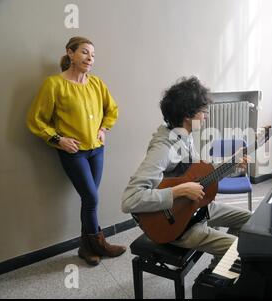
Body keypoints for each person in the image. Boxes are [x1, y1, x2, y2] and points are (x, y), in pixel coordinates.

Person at [121, 76, 252, 269]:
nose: (205, 116)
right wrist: (178, 191)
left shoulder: (185, 137)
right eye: (203, 111)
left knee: (250, 220)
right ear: (188, 116)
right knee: (237, 248)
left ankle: (218, 268)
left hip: (195, 208)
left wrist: (233, 164)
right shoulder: (163, 148)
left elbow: (200, 177)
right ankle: (219, 274)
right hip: (176, 225)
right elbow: (129, 199)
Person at [27, 36, 126, 266]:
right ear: (70, 54)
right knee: (91, 197)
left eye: (92, 55)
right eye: (84, 52)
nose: (90, 58)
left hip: (97, 150)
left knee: (89, 200)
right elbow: (35, 120)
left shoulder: (96, 83)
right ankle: (100, 244)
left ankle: (86, 247)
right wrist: (58, 139)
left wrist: (104, 128)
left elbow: (112, 109)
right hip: (74, 153)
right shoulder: (53, 84)